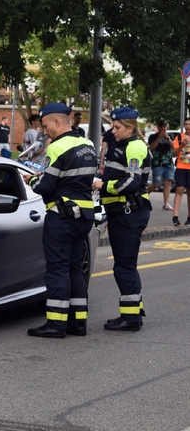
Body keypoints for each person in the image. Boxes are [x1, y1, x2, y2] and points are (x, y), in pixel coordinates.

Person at [23, 103, 97, 338]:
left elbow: (46, 187)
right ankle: (78, 323)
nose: (44, 132)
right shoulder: (88, 145)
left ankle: (56, 324)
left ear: (57, 122)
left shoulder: (57, 148)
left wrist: (30, 180)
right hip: (84, 216)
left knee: (57, 269)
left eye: (45, 126)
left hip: (61, 215)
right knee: (76, 269)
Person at [92, 107, 152, 332]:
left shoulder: (135, 147)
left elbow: (132, 183)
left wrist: (102, 185)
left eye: (117, 127)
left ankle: (131, 318)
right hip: (123, 211)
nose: (112, 131)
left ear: (130, 127)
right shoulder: (124, 144)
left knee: (124, 266)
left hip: (129, 212)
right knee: (125, 265)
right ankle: (134, 311)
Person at [147, 119, 174, 210]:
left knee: (168, 182)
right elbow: (151, 148)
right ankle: (144, 196)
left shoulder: (169, 136)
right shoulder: (152, 136)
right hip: (157, 163)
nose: (163, 129)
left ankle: (166, 203)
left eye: (164, 127)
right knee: (156, 184)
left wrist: (167, 137)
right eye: (161, 127)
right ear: (158, 127)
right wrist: (159, 138)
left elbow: (173, 146)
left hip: (169, 163)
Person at [172, 117, 190, 226]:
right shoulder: (179, 137)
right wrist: (182, 146)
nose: (188, 126)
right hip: (181, 167)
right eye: (186, 124)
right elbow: (174, 154)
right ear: (184, 126)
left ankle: (189, 217)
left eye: (189, 124)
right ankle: (175, 216)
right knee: (179, 189)